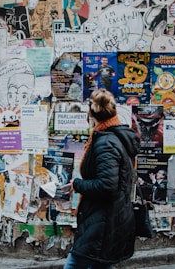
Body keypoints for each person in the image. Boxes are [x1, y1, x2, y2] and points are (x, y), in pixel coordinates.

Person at [63, 88, 140, 269]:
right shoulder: (113, 136)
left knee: (75, 263)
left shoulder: (106, 143)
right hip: (109, 217)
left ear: (91, 112)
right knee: (100, 264)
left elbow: (107, 185)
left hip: (103, 220)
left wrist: (77, 184)